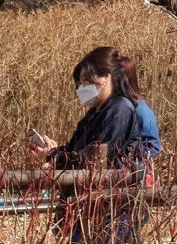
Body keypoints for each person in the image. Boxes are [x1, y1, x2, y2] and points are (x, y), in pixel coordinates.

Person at [29, 47, 145, 243]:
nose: (82, 87)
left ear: (106, 78)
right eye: (80, 82)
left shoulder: (119, 110)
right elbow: (77, 152)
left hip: (109, 205)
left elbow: (98, 156)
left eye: (86, 80)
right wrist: (52, 153)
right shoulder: (94, 113)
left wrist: (58, 157)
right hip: (84, 201)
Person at [115, 54, 161, 175]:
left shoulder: (140, 109)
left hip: (135, 174)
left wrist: (128, 155)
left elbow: (153, 146)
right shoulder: (114, 108)